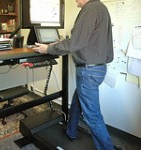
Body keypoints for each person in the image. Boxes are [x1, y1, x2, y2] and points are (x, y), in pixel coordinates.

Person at [33, 0, 114, 149]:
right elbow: (88, 40)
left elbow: (75, 44)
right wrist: (62, 43)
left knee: (93, 116)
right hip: (98, 68)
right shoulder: (101, 7)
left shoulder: (90, 9)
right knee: (77, 101)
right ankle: (71, 131)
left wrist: (48, 49)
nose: (75, 0)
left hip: (88, 71)